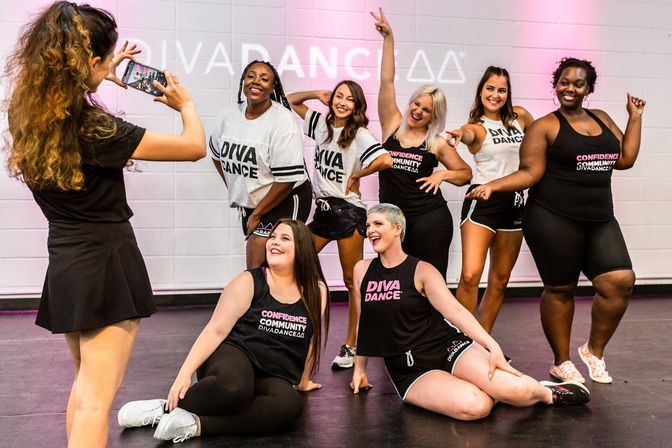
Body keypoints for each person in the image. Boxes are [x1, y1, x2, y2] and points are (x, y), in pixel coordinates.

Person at [2, 2, 205, 447]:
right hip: (106, 260)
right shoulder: (93, 128)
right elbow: (193, 146)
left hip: (68, 260)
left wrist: (100, 76)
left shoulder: (30, 115)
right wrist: (185, 103)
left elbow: (74, 108)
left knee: (84, 389)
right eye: (104, 59)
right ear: (89, 61)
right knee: (97, 401)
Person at [466, 57, 646, 384]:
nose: (570, 88)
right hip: (552, 218)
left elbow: (625, 159)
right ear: (556, 84)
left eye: (578, 83)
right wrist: (492, 185)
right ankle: (560, 361)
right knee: (561, 288)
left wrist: (635, 118)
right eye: (564, 82)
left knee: (620, 281)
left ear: (588, 88)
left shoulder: (602, 119)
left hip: (599, 218)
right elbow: (530, 173)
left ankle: (593, 350)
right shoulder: (545, 127)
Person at [350, 204, 590, 421]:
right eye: (368, 225)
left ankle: (548, 393)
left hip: (446, 346)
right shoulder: (362, 269)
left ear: (396, 229)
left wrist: (492, 346)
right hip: (409, 368)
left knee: (519, 391)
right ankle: (491, 390)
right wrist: (359, 369)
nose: (370, 230)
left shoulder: (422, 270)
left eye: (378, 223)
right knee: (475, 407)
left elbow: (455, 311)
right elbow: (365, 320)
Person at [118, 219, 330, 443]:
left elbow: (311, 338)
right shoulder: (249, 281)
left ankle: (196, 425)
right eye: (273, 237)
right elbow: (215, 331)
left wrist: (304, 380)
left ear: (302, 249)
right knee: (235, 389)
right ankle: (165, 409)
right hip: (235, 355)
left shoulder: (316, 291)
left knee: (289, 404)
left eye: (284, 238)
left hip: (273, 373)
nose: (274, 243)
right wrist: (184, 375)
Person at [287, 81, 392, 369]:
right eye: (338, 96)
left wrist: (359, 173)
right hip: (323, 212)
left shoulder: (359, 134)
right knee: (295, 257)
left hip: (348, 213)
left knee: (351, 281)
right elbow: (290, 100)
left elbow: (386, 160)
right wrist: (314, 93)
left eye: (349, 99)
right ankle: (290, 330)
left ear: (358, 106)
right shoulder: (322, 125)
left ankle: (352, 344)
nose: (342, 102)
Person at [371, 8, 472, 279]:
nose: (418, 111)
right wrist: (389, 39)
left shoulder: (436, 144)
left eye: (427, 110)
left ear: (433, 117)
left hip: (430, 219)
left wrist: (443, 174)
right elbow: (387, 80)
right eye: (417, 103)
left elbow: (466, 174)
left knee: (429, 280)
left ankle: (433, 323)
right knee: (393, 280)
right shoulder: (391, 124)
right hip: (393, 221)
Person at [447, 66, 534, 332]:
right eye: (490, 88)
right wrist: (461, 135)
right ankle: (460, 339)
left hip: (515, 201)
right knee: (471, 275)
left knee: (499, 279)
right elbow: (468, 134)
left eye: (501, 90)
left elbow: (541, 142)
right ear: (481, 91)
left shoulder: (521, 117)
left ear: (508, 93)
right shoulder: (476, 127)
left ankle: (481, 343)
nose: (495, 95)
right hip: (482, 200)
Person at [210, 60, 312, 269]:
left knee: (259, 250)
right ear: (243, 81)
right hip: (255, 200)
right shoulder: (228, 115)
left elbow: (287, 180)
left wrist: (257, 214)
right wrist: (235, 187)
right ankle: (270, 297)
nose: (256, 82)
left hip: (286, 196)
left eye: (265, 79)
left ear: (273, 87)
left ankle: (259, 299)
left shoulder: (283, 122)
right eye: (251, 76)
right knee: (268, 261)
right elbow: (216, 155)